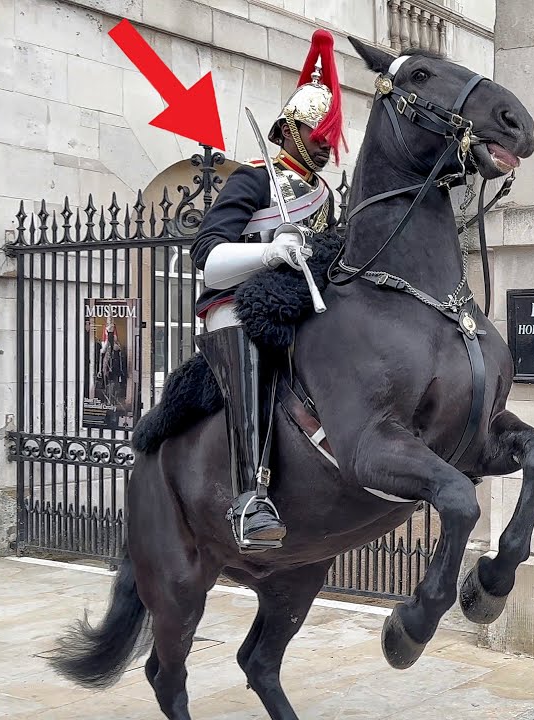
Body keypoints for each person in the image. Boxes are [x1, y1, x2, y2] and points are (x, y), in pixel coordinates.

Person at [189, 29, 346, 552]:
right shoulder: (254, 179)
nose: (325, 144)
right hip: (235, 304)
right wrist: (269, 253)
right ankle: (249, 497)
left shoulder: (323, 196)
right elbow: (208, 260)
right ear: (290, 130)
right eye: (317, 134)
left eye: (330, 136)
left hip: (295, 306)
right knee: (250, 354)